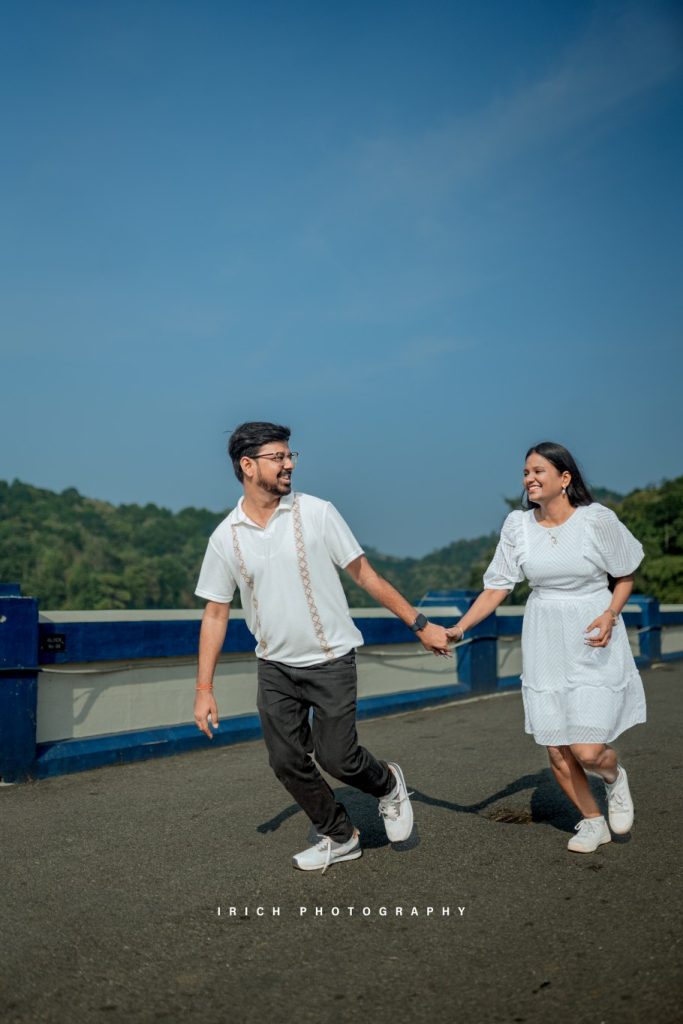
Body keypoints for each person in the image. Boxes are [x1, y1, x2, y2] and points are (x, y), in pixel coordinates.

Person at [193, 421, 450, 872]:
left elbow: (365, 575)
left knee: (338, 757)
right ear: (247, 466)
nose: (289, 463)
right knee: (285, 759)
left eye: (291, 455)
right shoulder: (225, 537)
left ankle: (388, 784)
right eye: (278, 457)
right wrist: (204, 688)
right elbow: (215, 613)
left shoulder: (317, 512)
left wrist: (420, 624)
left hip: (331, 659)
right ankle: (340, 834)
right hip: (274, 664)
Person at [446, 441, 646, 854]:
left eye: (538, 471)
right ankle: (592, 821)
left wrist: (610, 614)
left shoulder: (596, 519)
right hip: (545, 635)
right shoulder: (517, 526)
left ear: (565, 478)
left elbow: (625, 574)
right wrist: (459, 628)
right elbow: (497, 586)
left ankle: (613, 777)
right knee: (556, 746)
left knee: (588, 750)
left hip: (591, 632)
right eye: (525, 473)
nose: (529, 479)